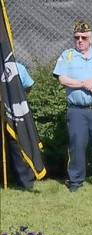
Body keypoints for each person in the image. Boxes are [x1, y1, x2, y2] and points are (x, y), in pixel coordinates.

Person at [52, 20, 92, 192]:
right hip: (77, 111)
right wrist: (84, 84)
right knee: (77, 145)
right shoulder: (67, 56)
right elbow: (62, 79)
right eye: (77, 37)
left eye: (84, 37)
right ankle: (75, 182)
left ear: (91, 39)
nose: (80, 40)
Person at [4, 62, 36, 191]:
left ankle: (25, 181)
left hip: (13, 112)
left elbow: (28, 85)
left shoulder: (17, 67)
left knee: (17, 145)